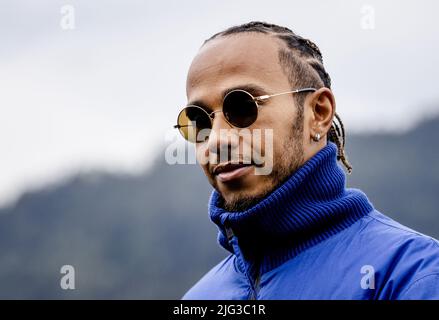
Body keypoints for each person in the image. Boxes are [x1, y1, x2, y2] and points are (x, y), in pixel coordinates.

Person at [174, 21, 439, 299]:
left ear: (319, 113)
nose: (217, 140)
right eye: (199, 121)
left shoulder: (411, 277)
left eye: (242, 107)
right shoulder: (200, 298)